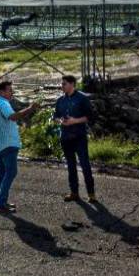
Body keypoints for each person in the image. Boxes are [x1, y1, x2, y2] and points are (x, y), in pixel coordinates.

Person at [0, 81, 39, 214]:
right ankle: (0, 203)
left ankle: (0, 201)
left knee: (2, 173)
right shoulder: (2, 103)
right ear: (1, 92)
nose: (12, 93)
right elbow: (14, 117)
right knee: (11, 172)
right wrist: (30, 108)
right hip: (7, 143)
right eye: (10, 90)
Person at [54, 75, 97, 203]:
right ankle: (74, 192)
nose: (62, 86)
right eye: (61, 84)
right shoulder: (60, 100)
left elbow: (90, 116)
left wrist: (74, 121)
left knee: (85, 165)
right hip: (65, 137)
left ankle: (91, 193)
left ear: (72, 84)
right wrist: (60, 120)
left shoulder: (82, 98)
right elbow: (55, 116)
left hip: (79, 136)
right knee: (71, 166)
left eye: (64, 84)